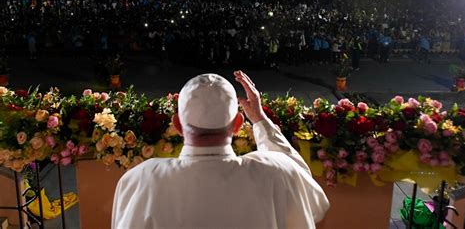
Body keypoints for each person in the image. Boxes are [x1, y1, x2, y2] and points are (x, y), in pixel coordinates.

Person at [112, 71, 330, 228]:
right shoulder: (276, 172)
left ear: (177, 125)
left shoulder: (141, 180)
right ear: (237, 125)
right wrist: (259, 119)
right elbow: (315, 202)